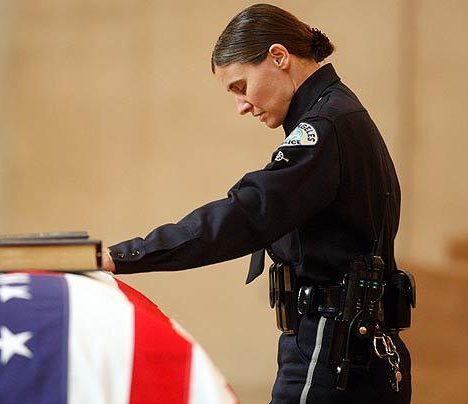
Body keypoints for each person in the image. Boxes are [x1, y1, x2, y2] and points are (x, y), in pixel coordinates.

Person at [102, 3, 412, 403]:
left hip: (330, 352)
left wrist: (122, 256)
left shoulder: (324, 129)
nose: (242, 106)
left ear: (279, 57)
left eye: (240, 86)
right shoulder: (339, 114)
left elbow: (244, 216)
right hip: (356, 348)